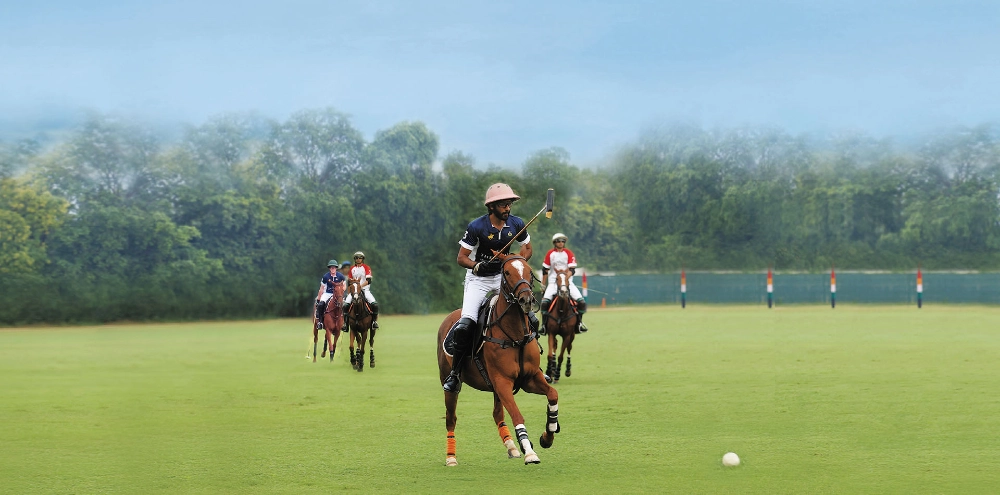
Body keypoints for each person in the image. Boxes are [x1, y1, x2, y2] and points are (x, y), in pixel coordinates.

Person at [442, 182, 540, 393]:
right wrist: (477, 265)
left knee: (530, 317)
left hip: (503, 278)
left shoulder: (516, 224)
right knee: (466, 325)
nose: (508, 208)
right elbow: (461, 258)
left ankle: (533, 368)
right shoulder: (477, 227)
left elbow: (527, 248)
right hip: (478, 280)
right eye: (504, 205)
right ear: (492, 207)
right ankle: (455, 373)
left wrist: (515, 264)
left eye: (509, 204)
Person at [540, 233, 588, 333]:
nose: (561, 243)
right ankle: (544, 326)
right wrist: (543, 284)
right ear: (554, 243)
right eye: (558, 241)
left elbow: (572, 270)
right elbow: (545, 270)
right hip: (553, 283)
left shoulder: (569, 253)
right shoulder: (550, 254)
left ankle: (579, 323)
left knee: (582, 302)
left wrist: (564, 279)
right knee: (544, 303)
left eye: (562, 241)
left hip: (568, 283)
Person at [342, 251, 379, 330]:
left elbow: (368, 280)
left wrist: (360, 286)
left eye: (360, 258)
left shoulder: (366, 267)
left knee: (375, 304)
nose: (358, 259)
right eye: (356, 258)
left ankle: (374, 322)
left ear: (363, 259)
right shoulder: (352, 268)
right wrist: (354, 287)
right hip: (354, 291)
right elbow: (350, 281)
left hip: (365, 290)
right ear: (355, 259)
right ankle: (345, 323)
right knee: (345, 305)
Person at [314, 260, 346, 330]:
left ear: (336, 268)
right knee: (321, 304)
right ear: (329, 268)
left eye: (334, 267)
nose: (333, 269)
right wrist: (318, 299)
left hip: (338, 294)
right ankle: (320, 322)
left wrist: (341, 291)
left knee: (345, 305)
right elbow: (321, 288)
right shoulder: (326, 276)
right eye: (331, 267)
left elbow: (344, 286)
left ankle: (344, 323)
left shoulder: (341, 276)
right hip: (328, 293)